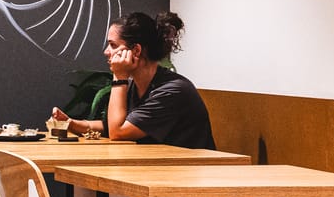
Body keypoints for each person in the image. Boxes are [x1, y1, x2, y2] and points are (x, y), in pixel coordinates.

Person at [50, 10, 215, 148]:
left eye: (113, 45)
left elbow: (118, 132)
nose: (106, 52)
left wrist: (119, 77)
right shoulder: (135, 86)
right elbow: (110, 126)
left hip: (187, 179)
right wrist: (71, 123)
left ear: (135, 50)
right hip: (162, 172)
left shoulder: (172, 90)